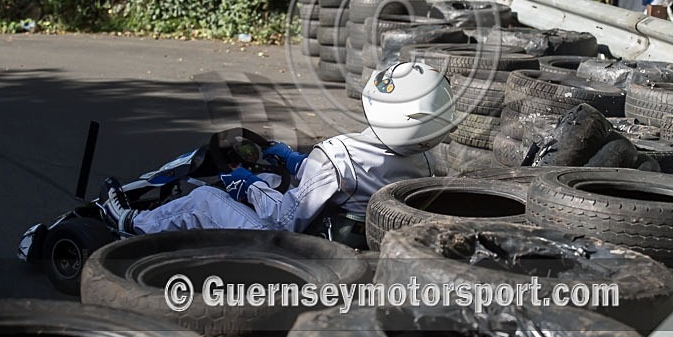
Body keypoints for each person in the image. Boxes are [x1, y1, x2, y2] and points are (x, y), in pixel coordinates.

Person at [98, 62, 455, 248]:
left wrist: (247, 184)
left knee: (204, 197)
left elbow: (285, 220)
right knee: (272, 177)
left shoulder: (338, 155)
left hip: (296, 247)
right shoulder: (425, 161)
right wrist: (292, 160)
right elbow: (347, 183)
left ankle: (129, 222)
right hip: (352, 233)